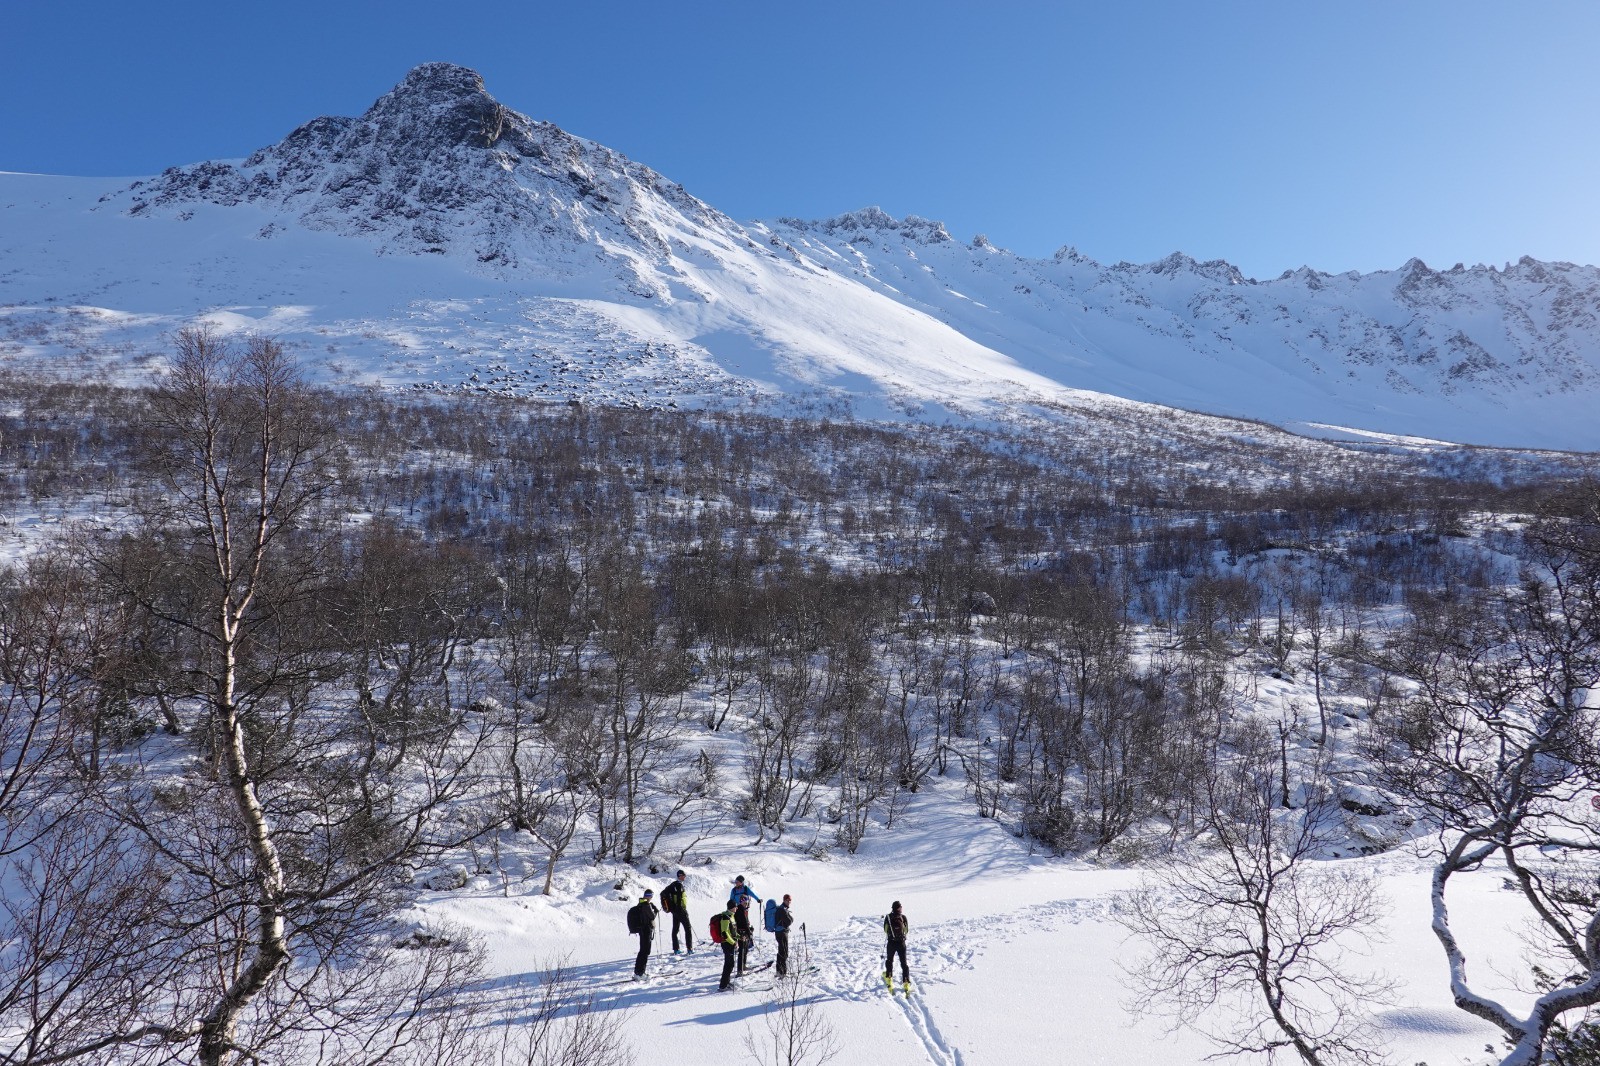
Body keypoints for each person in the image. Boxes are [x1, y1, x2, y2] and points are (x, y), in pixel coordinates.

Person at [661, 869, 693, 954]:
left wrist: (672, 907)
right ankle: (689, 949)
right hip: (680, 910)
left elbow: (664, 893)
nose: (684, 877)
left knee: (675, 929)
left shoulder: (673, 885)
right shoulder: (679, 886)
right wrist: (681, 909)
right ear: (680, 876)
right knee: (688, 928)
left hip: (674, 911)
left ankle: (676, 949)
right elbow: (679, 899)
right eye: (683, 875)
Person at [629, 888, 659, 979]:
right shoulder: (646, 905)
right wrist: (654, 909)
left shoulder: (640, 903)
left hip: (642, 930)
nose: (649, 897)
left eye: (650, 896)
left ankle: (637, 972)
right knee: (645, 951)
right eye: (649, 895)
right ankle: (640, 973)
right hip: (646, 930)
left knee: (642, 951)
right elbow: (652, 916)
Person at [883, 900, 909, 991]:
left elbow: (885, 930)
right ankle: (906, 981)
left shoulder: (888, 917)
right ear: (899, 908)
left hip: (891, 943)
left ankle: (889, 978)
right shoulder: (903, 917)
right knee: (904, 963)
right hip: (901, 943)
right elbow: (906, 930)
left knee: (890, 961)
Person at [714, 899, 740, 991]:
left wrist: (739, 937)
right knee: (729, 964)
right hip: (727, 944)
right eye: (735, 906)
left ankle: (726, 982)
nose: (737, 908)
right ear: (732, 907)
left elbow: (732, 931)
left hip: (731, 943)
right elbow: (725, 933)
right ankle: (723, 986)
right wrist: (733, 942)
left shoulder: (731, 916)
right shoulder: (725, 917)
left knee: (730, 964)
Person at [773, 893, 794, 978]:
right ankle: (783, 972)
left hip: (780, 932)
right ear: (784, 900)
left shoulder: (782, 909)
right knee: (784, 952)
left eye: (790, 900)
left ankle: (779, 971)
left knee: (781, 951)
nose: (789, 902)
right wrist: (790, 918)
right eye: (787, 900)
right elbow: (789, 921)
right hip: (782, 933)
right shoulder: (782, 910)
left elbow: (789, 920)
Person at [734, 896, 754, 976]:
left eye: (747, 903)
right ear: (741, 902)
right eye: (745, 902)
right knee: (742, 951)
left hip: (744, 932)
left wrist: (749, 930)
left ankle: (743, 966)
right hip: (741, 933)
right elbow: (744, 923)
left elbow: (746, 923)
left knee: (745, 950)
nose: (746, 904)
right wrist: (749, 931)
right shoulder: (739, 910)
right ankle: (739, 970)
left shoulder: (743, 910)